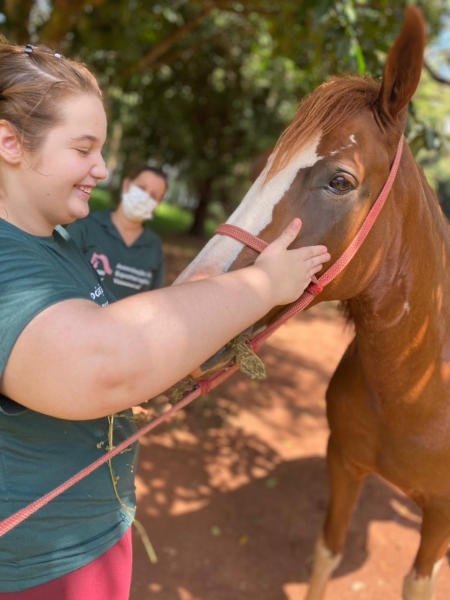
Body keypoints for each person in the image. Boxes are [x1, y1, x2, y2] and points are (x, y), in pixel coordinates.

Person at [0, 39, 330, 600]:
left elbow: (121, 328)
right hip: (39, 568)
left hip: (90, 542)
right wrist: (262, 287)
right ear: (9, 142)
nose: (102, 169)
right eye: (83, 149)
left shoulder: (55, 243)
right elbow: (100, 364)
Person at [66, 166, 167, 299]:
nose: (144, 198)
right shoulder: (85, 226)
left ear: (158, 203)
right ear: (126, 184)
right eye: (142, 188)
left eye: (153, 196)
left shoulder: (153, 245)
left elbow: (154, 298)